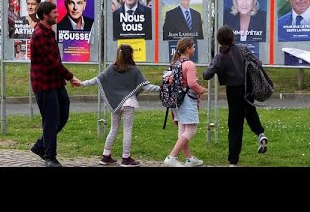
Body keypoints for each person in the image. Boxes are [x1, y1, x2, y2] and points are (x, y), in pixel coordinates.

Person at [77, 44, 161, 167]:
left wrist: (82, 83)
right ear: (130, 55)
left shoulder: (112, 68)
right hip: (128, 103)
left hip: (115, 103)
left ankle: (106, 156)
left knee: (114, 129)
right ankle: (126, 158)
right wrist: (162, 88)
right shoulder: (134, 70)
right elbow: (146, 86)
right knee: (127, 130)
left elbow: (97, 80)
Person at [203, 25, 268, 167]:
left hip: (233, 92)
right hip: (247, 88)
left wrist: (211, 66)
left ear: (219, 40)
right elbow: (257, 63)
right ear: (233, 37)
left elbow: (206, 75)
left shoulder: (220, 57)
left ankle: (233, 161)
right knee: (250, 111)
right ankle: (260, 134)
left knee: (234, 127)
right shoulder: (242, 49)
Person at [29, 1, 81, 167]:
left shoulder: (49, 32)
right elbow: (52, 63)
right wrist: (71, 77)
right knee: (51, 120)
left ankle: (40, 145)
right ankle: (49, 157)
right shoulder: (39, 35)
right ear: (45, 15)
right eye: (54, 13)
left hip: (56, 83)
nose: (57, 15)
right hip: (44, 85)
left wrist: (64, 78)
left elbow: (55, 62)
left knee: (64, 113)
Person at [163, 37, 207, 167]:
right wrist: (202, 90)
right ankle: (172, 156)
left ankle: (189, 159)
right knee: (191, 130)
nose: (194, 49)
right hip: (187, 100)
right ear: (188, 49)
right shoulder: (189, 64)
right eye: (193, 47)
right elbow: (192, 83)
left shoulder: (174, 63)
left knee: (182, 130)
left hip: (176, 100)